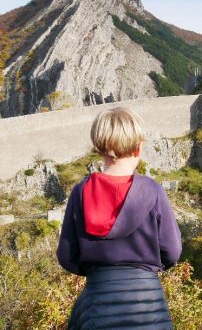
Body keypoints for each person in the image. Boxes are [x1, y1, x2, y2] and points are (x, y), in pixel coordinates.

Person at [57, 107, 182, 329]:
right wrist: (146, 269)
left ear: (99, 148)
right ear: (138, 148)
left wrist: (97, 273)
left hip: (98, 305)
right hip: (148, 307)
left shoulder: (80, 192)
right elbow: (172, 252)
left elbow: (67, 256)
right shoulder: (153, 191)